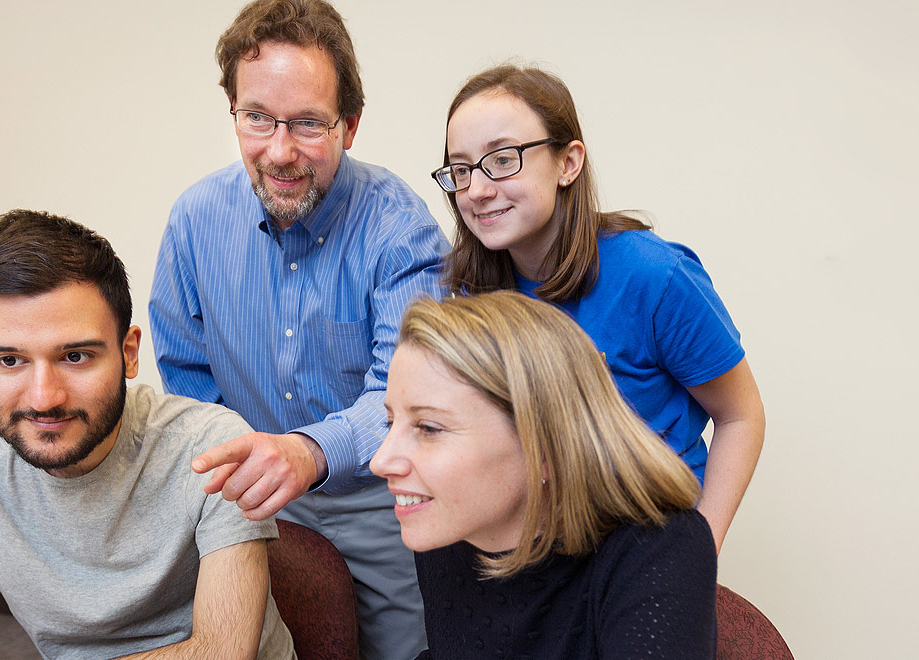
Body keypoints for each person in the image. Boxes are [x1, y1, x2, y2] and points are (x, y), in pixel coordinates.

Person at [149, 1, 447, 657]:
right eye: (258, 118)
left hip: (378, 499)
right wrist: (245, 465)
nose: (280, 151)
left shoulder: (402, 230)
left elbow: (404, 403)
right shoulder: (195, 220)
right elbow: (188, 375)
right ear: (234, 112)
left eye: (308, 123)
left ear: (350, 124)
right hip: (250, 499)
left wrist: (307, 453)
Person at [0, 210, 295, 660]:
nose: (44, 399)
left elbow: (223, 654)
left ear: (128, 352)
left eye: (75, 356)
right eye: (8, 361)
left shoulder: (212, 444)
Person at [433, 64, 766, 551]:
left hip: (646, 545)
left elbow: (741, 416)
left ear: (568, 163)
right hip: (534, 551)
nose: (477, 190)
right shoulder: (469, 291)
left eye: (502, 160)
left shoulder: (654, 276)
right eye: (461, 170)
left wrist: (700, 549)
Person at [372, 291, 717, 660]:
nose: (381, 461)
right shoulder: (452, 530)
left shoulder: (661, 548)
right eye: (390, 422)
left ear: (546, 446)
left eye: (428, 428)